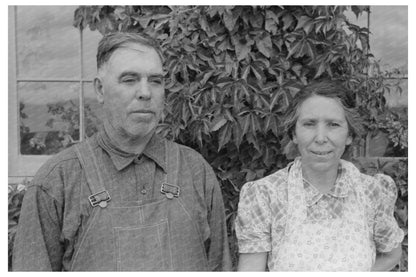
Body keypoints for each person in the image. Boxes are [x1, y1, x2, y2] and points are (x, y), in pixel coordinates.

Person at [12, 32, 231, 271]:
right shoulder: (57, 181)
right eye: (129, 80)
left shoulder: (195, 171)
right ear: (99, 90)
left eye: (155, 81)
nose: (145, 92)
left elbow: (219, 266)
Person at [235, 79, 404, 271]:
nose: (321, 138)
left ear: (349, 134)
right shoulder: (265, 195)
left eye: (333, 124)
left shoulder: (371, 192)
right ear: (294, 134)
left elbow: (392, 254)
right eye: (309, 124)